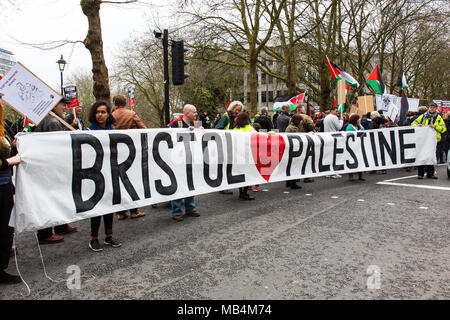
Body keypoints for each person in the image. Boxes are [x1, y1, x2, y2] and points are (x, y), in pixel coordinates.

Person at [34, 98, 77, 244]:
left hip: (47, 166)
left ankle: (61, 225)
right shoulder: (52, 122)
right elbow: (57, 146)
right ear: (53, 105)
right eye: (63, 105)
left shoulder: (48, 119)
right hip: (51, 167)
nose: (65, 108)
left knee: (57, 196)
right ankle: (45, 233)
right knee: (51, 198)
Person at [87, 101, 122, 251]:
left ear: (108, 114)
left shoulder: (112, 129)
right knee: (97, 207)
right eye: (97, 112)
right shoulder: (89, 130)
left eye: (103, 112)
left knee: (109, 205)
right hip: (95, 173)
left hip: (110, 172)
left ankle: (108, 236)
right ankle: (94, 238)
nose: (100, 115)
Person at [111, 94, 146, 220]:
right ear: (125, 103)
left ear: (114, 103)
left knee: (118, 180)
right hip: (129, 148)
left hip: (114, 149)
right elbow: (143, 128)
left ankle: (121, 212)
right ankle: (134, 210)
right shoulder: (131, 114)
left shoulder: (111, 116)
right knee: (131, 179)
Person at [0, 97, 22, 284]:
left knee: (6, 227)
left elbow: (9, 154)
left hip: (5, 183)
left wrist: (13, 148)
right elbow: (7, 160)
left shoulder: (3, 129)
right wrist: (7, 162)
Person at [169, 104, 201, 221]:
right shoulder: (176, 123)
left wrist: (198, 132)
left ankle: (190, 208)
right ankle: (176, 211)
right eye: (194, 112)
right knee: (179, 184)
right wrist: (185, 131)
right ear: (187, 113)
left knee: (190, 183)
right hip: (178, 159)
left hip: (190, 157)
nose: (196, 114)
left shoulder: (195, 124)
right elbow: (168, 136)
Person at [411, 102, 447, 179]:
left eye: (433, 107)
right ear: (429, 108)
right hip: (423, 140)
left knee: (431, 156)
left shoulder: (438, 117)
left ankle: (430, 174)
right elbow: (413, 124)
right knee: (421, 155)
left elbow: (443, 129)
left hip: (433, 140)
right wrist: (418, 125)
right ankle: (420, 174)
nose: (432, 108)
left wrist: (435, 126)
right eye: (430, 107)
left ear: (436, 108)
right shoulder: (423, 116)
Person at [233, 112, 256, 200]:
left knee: (240, 174)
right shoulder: (249, 128)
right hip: (247, 154)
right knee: (247, 173)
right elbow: (257, 137)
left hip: (237, 155)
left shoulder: (235, 129)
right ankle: (245, 193)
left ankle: (240, 192)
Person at [323, 107, 343, 178]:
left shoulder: (326, 117)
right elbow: (339, 127)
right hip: (334, 137)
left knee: (328, 155)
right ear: (332, 111)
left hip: (327, 137)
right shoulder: (334, 117)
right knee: (334, 155)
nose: (337, 112)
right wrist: (341, 121)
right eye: (336, 111)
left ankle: (328, 172)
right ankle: (333, 172)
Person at [284, 114, 303, 189]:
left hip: (289, 149)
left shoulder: (289, 127)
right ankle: (293, 183)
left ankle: (289, 181)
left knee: (289, 165)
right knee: (294, 166)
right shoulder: (295, 128)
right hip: (294, 149)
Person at [346, 114, 365, 181]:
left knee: (360, 159)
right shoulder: (349, 127)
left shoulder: (360, 126)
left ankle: (360, 175)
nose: (360, 120)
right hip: (352, 146)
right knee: (351, 160)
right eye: (358, 119)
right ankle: (351, 175)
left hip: (359, 145)